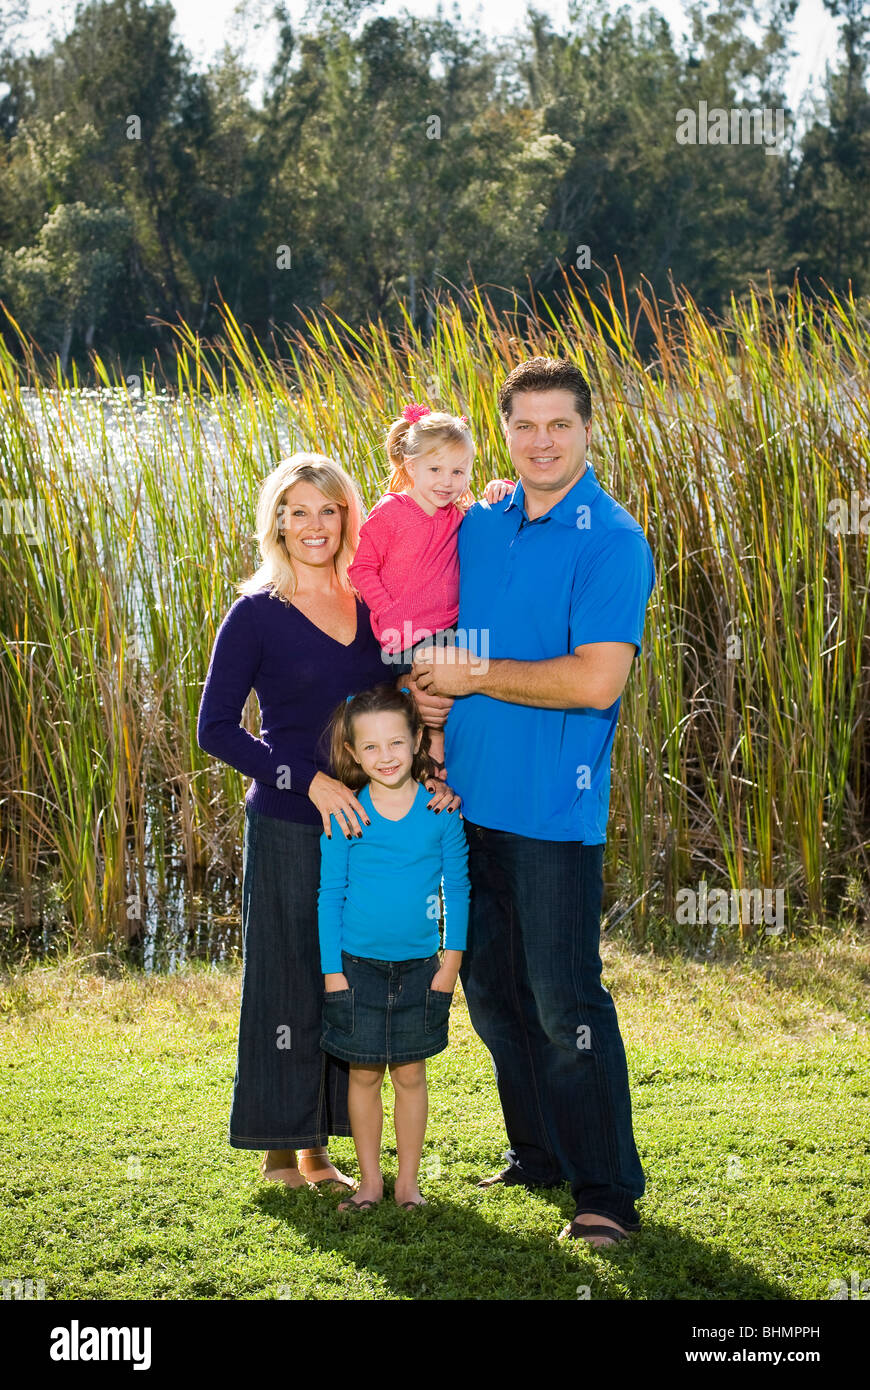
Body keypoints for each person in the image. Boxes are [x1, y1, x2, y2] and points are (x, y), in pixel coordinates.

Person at [411, 357, 656, 1248]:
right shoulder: (480, 523)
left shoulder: (611, 539)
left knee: (564, 1003)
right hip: (465, 804)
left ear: (588, 431)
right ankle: (539, 1155)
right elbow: (441, 628)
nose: (542, 441)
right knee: (493, 995)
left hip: (555, 811)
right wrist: (431, 695)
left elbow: (597, 682)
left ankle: (606, 1189)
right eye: (525, 426)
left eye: (560, 424)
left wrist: (470, 673)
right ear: (504, 434)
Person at [197, 454, 458, 1193]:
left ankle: (323, 1150)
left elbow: (400, 695)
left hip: (367, 830)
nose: (313, 525)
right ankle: (283, 1151)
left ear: (349, 517)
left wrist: (428, 731)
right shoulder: (255, 613)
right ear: (276, 520)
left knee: (345, 976)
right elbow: (215, 729)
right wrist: (305, 780)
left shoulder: (373, 606)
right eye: (296, 510)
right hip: (289, 821)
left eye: (328, 510)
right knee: (287, 978)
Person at [317, 684, 470, 1210]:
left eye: (397, 743)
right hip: (356, 969)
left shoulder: (441, 812)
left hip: (420, 969)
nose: (386, 757)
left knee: (410, 1073)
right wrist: (331, 972)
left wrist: (449, 964)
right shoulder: (345, 816)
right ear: (354, 753)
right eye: (372, 747)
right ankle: (370, 1183)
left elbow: (459, 890)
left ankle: (408, 1184)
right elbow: (329, 897)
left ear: (416, 744)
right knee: (363, 1074)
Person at [347, 403, 512, 774]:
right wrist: (387, 611)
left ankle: (447, 771)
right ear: (411, 467)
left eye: (458, 472)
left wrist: (501, 488)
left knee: (471, 685)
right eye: (435, 470)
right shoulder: (391, 511)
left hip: (447, 629)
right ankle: (435, 765)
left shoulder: (458, 514)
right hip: (404, 635)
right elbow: (361, 568)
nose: (446, 481)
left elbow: (499, 509)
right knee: (435, 705)